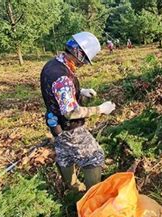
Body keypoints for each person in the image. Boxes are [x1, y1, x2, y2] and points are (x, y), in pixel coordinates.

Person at [40, 32, 116, 191]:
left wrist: (79, 91)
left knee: (65, 154)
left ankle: (73, 188)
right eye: (84, 60)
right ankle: (92, 196)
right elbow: (71, 112)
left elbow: (57, 93)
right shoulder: (63, 77)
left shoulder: (52, 64)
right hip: (70, 127)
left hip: (56, 125)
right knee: (94, 157)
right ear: (78, 53)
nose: (84, 64)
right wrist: (101, 109)